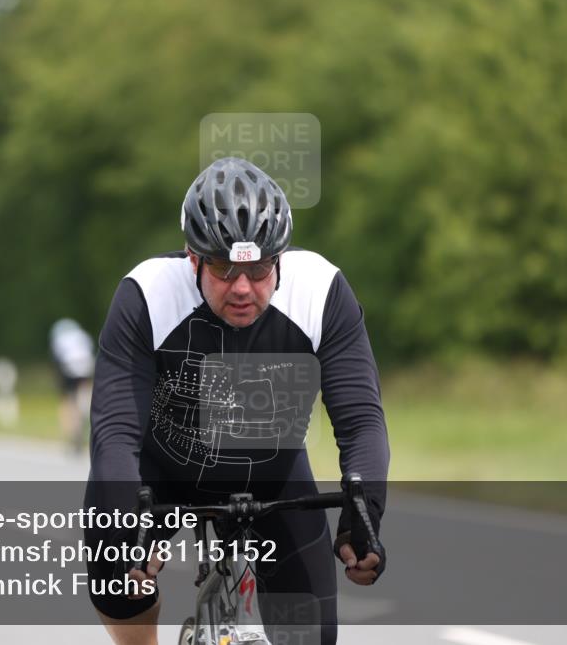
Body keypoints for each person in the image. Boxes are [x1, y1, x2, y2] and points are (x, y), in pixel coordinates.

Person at [83, 157, 390, 645]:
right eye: (225, 269)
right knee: (116, 580)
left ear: (280, 258)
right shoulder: (146, 294)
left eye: (260, 267)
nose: (243, 287)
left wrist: (365, 511)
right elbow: (115, 432)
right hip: (161, 476)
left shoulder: (321, 291)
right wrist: (125, 532)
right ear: (193, 258)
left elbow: (361, 422)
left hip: (272, 477)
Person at [50, 318, 96, 452]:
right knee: (84, 390)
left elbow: (56, 359)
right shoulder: (82, 335)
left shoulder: (59, 337)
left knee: (68, 400)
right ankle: (85, 409)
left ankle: (72, 431)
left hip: (68, 367)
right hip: (86, 365)